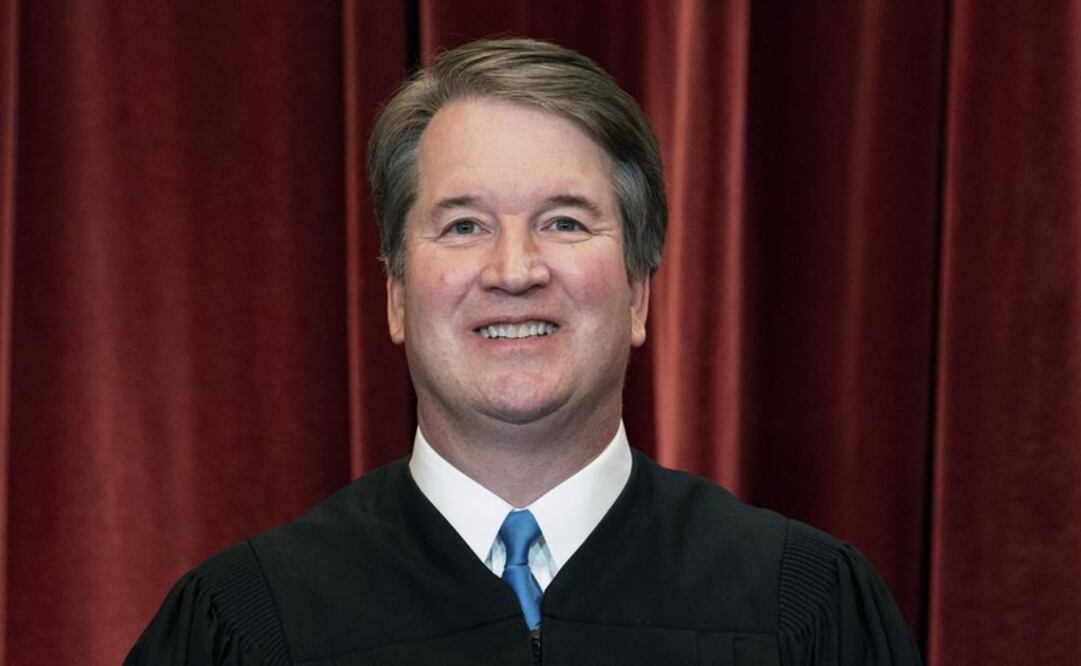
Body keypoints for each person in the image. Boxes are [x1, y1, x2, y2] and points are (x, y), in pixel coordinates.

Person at [126, 38, 922, 665]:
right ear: (397, 294)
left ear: (639, 292)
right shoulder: (247, 624)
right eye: (463, 225)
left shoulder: (800, 608)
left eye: (565, 222)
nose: (514, 271)